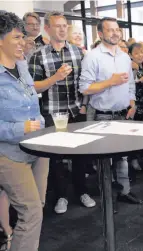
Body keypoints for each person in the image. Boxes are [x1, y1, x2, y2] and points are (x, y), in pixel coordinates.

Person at [28, 11, 96, 214]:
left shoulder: (78, 52)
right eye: (57, 26)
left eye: (65, 25)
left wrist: (84, 103)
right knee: (56, 158)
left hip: (76, 110)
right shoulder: (39, 55)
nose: (62, 29)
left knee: (80, 155)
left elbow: (85, 83)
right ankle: (61, 196)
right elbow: (34, 88)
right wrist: (55, 77)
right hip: (52, 113)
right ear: (47, 29)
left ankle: (82, 191)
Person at [79, 17, 142, 205]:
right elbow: (85, 88)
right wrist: (110, 82)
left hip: (123, 113)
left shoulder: (124, 56)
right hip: (102, 116)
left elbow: (130, 83)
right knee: (104, 161)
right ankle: (107, 199)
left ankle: (124, 191)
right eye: (110, 30)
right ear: (100, 34)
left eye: (117, 29)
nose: (115, 33)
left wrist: (132, 103)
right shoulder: (92, 56)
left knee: (123, 156)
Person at [0, 11, 49, 251]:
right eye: (17, 37)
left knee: (36, 207)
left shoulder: (22, 66)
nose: (24, 42)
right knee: (31, 213)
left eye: (23, 37)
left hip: (36, 147)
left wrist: (38, 125)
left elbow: (33, 104)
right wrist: (21, 127)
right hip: (9, 154)